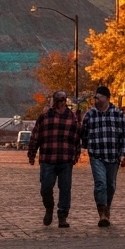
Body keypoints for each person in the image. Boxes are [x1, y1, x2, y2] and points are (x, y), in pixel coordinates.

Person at [27, 90, 82, 228]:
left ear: (65, 100)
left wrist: (76, 154)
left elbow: (76, 138)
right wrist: (32, 153)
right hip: (48, 158)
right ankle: (49, 207)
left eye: (62, 100)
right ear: (54, 101)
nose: (60, 103)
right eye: (58, 100)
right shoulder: (45, 117)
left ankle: (62, 216)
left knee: (65, 189)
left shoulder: (72, 117)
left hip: (65, 159)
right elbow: (36, 136)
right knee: (45, 187)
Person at [82, 85, 125, 227]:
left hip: (113, 155)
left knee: (110, 185)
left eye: (99, 97)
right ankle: (102, 213)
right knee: (100, 184)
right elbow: (84, 133)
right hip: (96, 155)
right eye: (95, 98)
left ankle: (107, 207)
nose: (96, 100)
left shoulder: (118, 114)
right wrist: (86, 147)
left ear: (107, 98)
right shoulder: (90, 115)